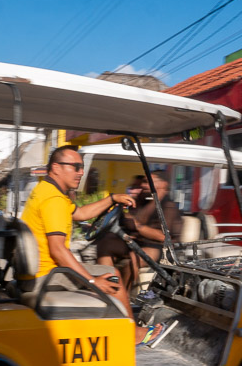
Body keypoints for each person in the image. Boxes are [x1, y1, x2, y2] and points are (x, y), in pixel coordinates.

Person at [20, 146, 163, 345]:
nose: (80, 172)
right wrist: (93, 281)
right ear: (56, 168)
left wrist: (111, 199)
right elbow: (58, 250)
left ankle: (119, 325)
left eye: (81, 167)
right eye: (75, 167)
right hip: (45, 276)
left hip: (37, 272)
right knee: (113, 277)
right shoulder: (54, 200)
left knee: (106, 268)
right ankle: (132, 334)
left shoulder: (47, 190)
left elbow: (80, 214)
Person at [96, 171, 182, 293]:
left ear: (162, 184)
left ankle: (121, 295)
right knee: (106, 244)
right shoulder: (146, 200)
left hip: (161, 249)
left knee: (135, 257)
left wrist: (139, 227)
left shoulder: (169, 206)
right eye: (143, 182)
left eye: (147, 182)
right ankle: (106, 286)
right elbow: (137, 219)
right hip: (141, 243)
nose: (143, 185)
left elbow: (163, 237)